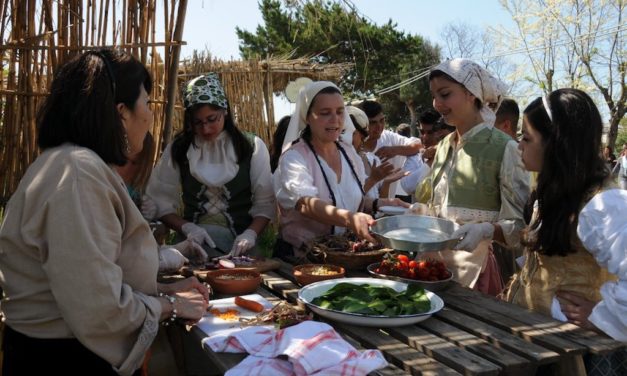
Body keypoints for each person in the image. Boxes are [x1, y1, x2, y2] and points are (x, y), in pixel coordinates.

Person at [0, 49, 208, 375]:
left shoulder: (70, 165)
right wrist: (170, 306)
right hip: (63, 360)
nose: (151, 116)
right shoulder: (77, 174)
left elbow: (91, 274)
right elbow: (99, 307)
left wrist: (165, 289)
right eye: (148, 104)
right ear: (121, 113)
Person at [420, 58, 530, 295]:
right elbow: (436, 204)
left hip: (475, 272)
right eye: (434, 95)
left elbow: (521, 226)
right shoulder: (444, 146)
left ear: (472, 94)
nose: (437, 104)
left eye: (445, 94)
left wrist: (487, 230)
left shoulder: (505, 148)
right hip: (430, 267)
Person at [273, 81, 408, 260]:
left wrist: (384, 203)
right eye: (325, 113)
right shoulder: (294, 157)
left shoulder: (348, 153)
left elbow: (355, 197)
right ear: (308, 117)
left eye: (339, 111)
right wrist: (349, 219)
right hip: (301, 260)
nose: (335, 120)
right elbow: (304, 203)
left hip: (343, 255)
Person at [145, 73, 276, 257]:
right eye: (198, 122)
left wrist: (250, 234)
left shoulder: (252, 147)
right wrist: (188, 228)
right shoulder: (180, 149)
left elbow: (265, 203)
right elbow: (159, 201)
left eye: (212, 119)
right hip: (191, 248)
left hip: (241, 252)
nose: (205, 129)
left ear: (225, 111)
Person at [359, 100, 423, 200]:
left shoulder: (387, 137)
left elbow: (419, 145)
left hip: (387, 209)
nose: (379, 126)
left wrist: (395, 150)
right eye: (373, 123)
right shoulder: (352, 148)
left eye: (382, 120)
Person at [347, 105, 405, 199]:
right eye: (373, 123)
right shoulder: (338, 162)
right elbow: (347, 202)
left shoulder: (373, 160)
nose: (379, 127)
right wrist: (372, 180)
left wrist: (387, 182)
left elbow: (380, 204)